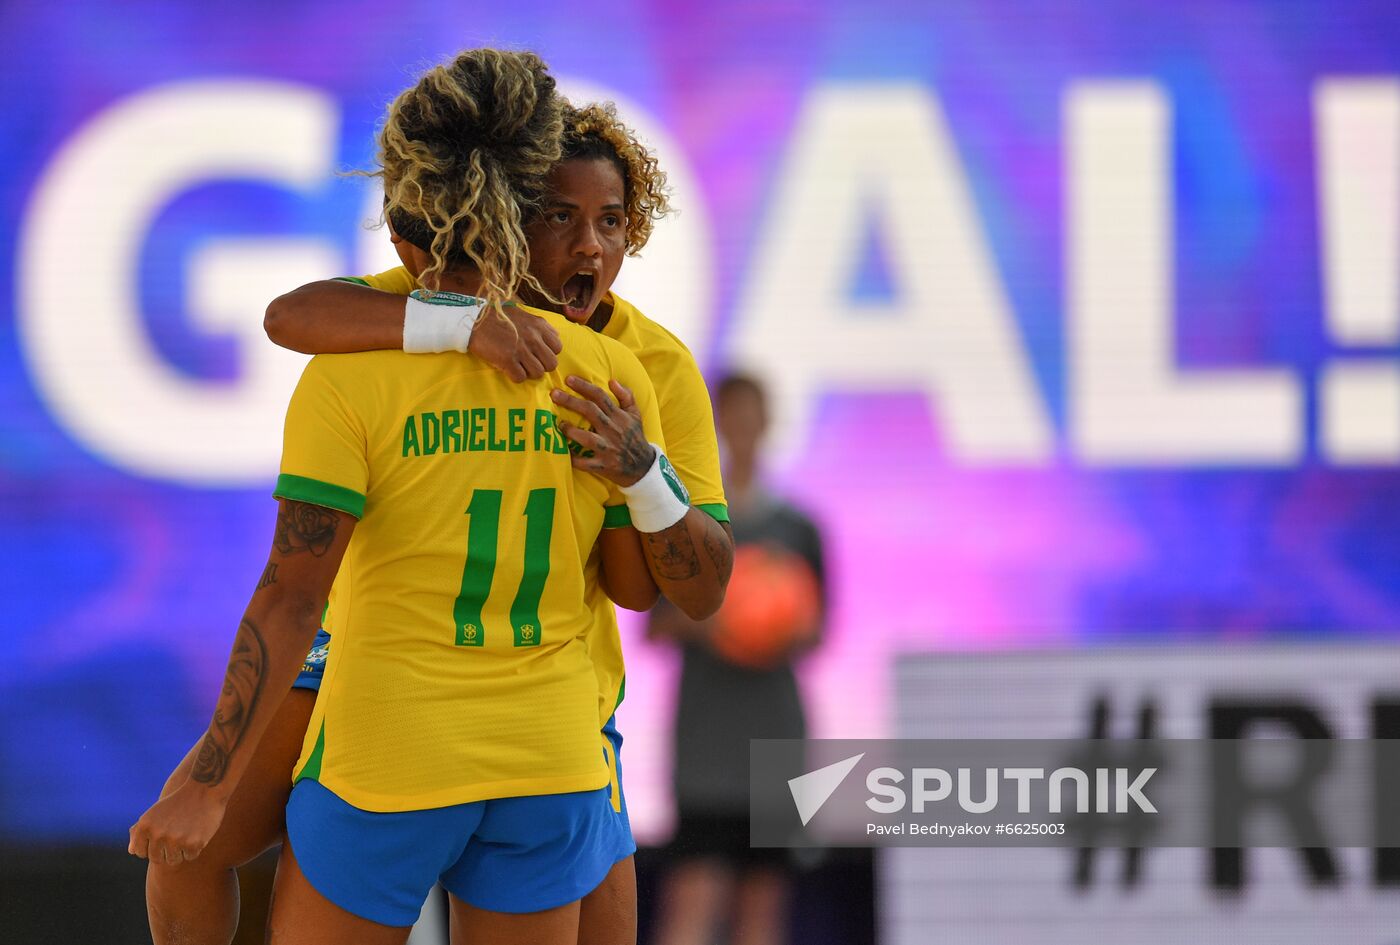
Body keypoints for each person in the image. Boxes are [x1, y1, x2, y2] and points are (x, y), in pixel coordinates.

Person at [142, 100, 733, 945]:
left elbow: (682, 584)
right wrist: (468, 324)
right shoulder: (442, 298)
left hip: (546, 687)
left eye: (610, 221)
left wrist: (643, 472)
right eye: (557, 217)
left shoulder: (651, 366)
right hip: (371, 668)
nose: (590, 246)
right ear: (505, 226)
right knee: (188, 849)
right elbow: (289, 315)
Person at [650, 372, 828, 945]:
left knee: (763, 912)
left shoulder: (799, 529)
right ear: (718, 424)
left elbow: (819, 630)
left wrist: (776, 620)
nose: (744, 428)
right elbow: (656, 625)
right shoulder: (685, 523)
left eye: (754, 414)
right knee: (693, 903)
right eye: (733, 415)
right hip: (706, 743)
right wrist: (723, 618)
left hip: (776, 739)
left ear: (768, 421)